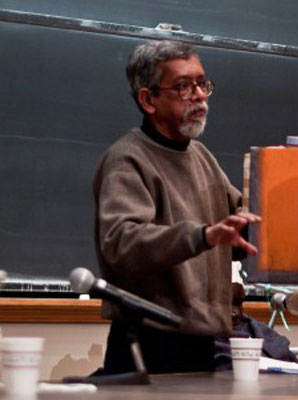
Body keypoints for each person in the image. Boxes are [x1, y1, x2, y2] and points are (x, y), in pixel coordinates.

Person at [93, 40, 261, 374]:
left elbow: (234, 224)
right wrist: (202, 236)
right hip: (149, 342)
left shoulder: (201, 156)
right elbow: (122, 242)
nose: (199, 95)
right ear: (148, 99)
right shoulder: (127, 160)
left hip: (202, 340)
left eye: (202, 84)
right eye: (183, 87)